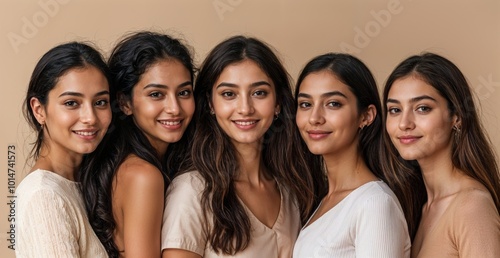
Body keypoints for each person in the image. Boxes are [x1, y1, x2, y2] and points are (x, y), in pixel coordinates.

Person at [161, 35, 323, 258]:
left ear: (277, 103)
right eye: (229, 94)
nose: (245, 108)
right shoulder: (192, 192)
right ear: (210, 103)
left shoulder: (293, 189)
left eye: (259, 93)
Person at [78, 31, 195, 258]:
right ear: (125, 103)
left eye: (183, 92)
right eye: (156, 94)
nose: (174, 107)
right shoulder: (144, 175)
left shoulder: (127, 164)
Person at [292, 53, 411, 258]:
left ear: (366, 116)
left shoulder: (374, 203)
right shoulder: (323, 200)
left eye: (333, 104)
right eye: (305, 104)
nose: (314, 118)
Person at [382, 52, 500, 258]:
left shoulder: (471, 206)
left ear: (457, 117)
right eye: (394, 110)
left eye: (422, 108)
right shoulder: (419, 206)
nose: (404, 123)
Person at [16, 42, 111, 257]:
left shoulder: (85, 183)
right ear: (39, 110)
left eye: (100, 102)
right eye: (71, 103)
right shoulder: (44, 196)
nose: (90, 118)